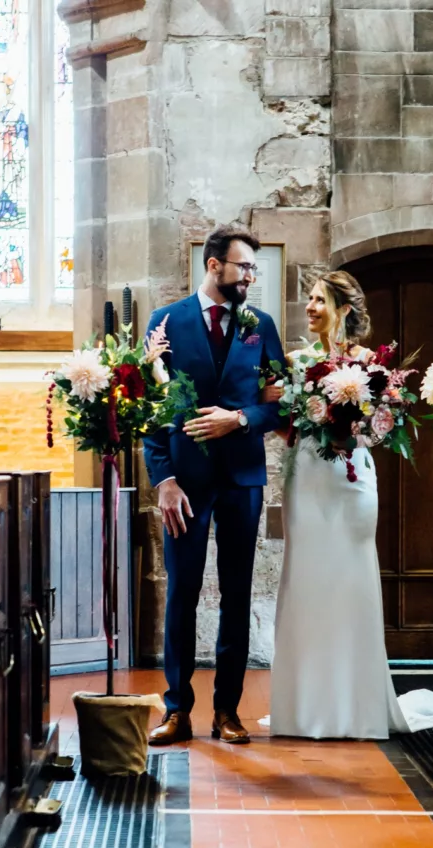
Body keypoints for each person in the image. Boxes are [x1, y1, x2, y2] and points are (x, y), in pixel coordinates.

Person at [143, 224, 284, 746]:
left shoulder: (260, 325)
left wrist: (239, 420)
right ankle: (176, 711)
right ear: (214, 265)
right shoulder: (167, 322)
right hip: (187, 483)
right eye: (243, 266)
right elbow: (147, 412)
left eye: (253, 268)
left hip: (242, 480)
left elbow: (278, 405)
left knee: (237, 593)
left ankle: (228, 711)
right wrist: (165, 481)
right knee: (181, 593)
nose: (250, 275)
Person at [265, 271, 410, 740]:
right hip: (307, 476)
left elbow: (384, 427)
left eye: (319, 300)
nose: (309, 307)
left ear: (343, 309)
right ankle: (303, 709)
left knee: (351, 579)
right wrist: (290, 409)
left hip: (352, 481)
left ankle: (357, 707)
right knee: (307, 578)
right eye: (308, 299)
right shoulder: (294, 361)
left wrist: (357, 426)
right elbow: (280, 422)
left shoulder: (372, 366)